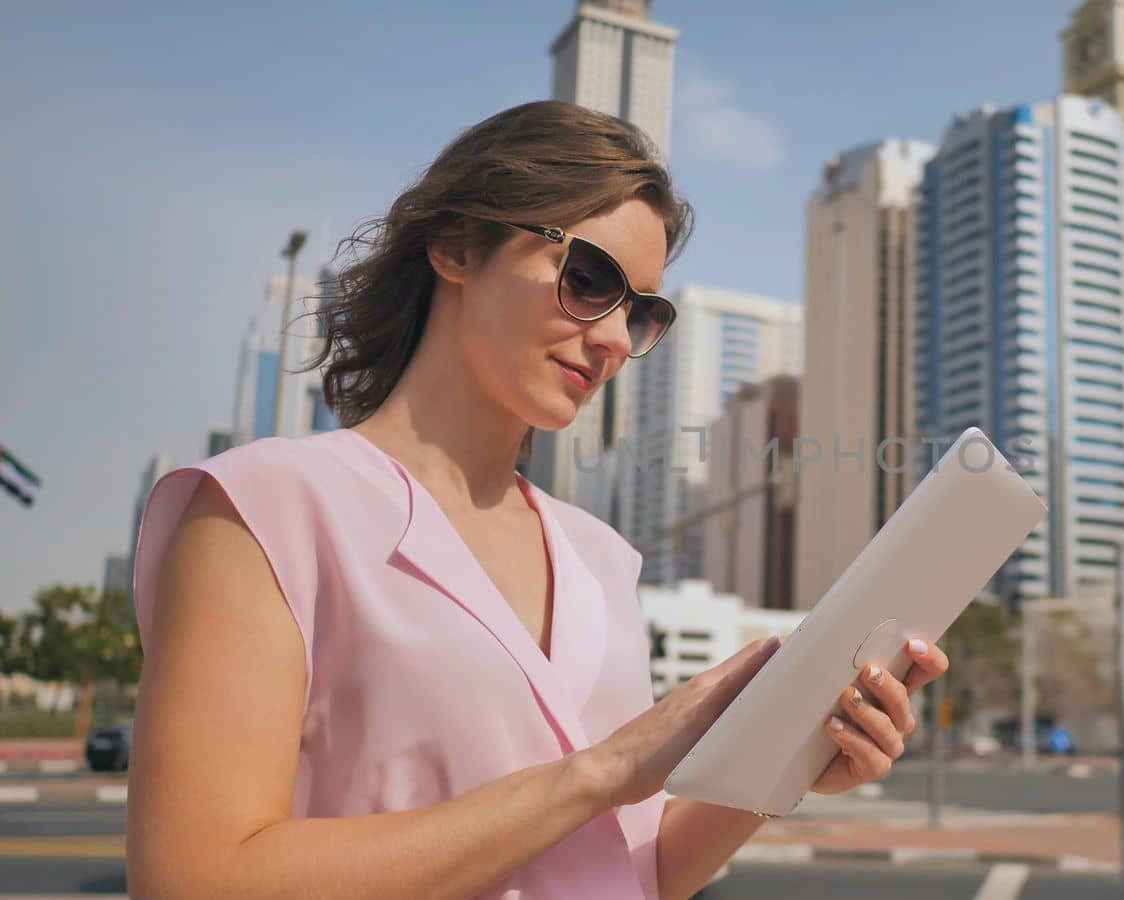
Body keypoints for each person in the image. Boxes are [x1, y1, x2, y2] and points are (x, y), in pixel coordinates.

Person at [125, 100, 949, 900]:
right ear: (455, 244)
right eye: (589, 279)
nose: (616, 340)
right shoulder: (265, 508)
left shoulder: (599, 558)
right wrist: (601, 774)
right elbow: (194, 877)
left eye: (641, 312)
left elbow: (638, 869)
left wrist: (790, 756)